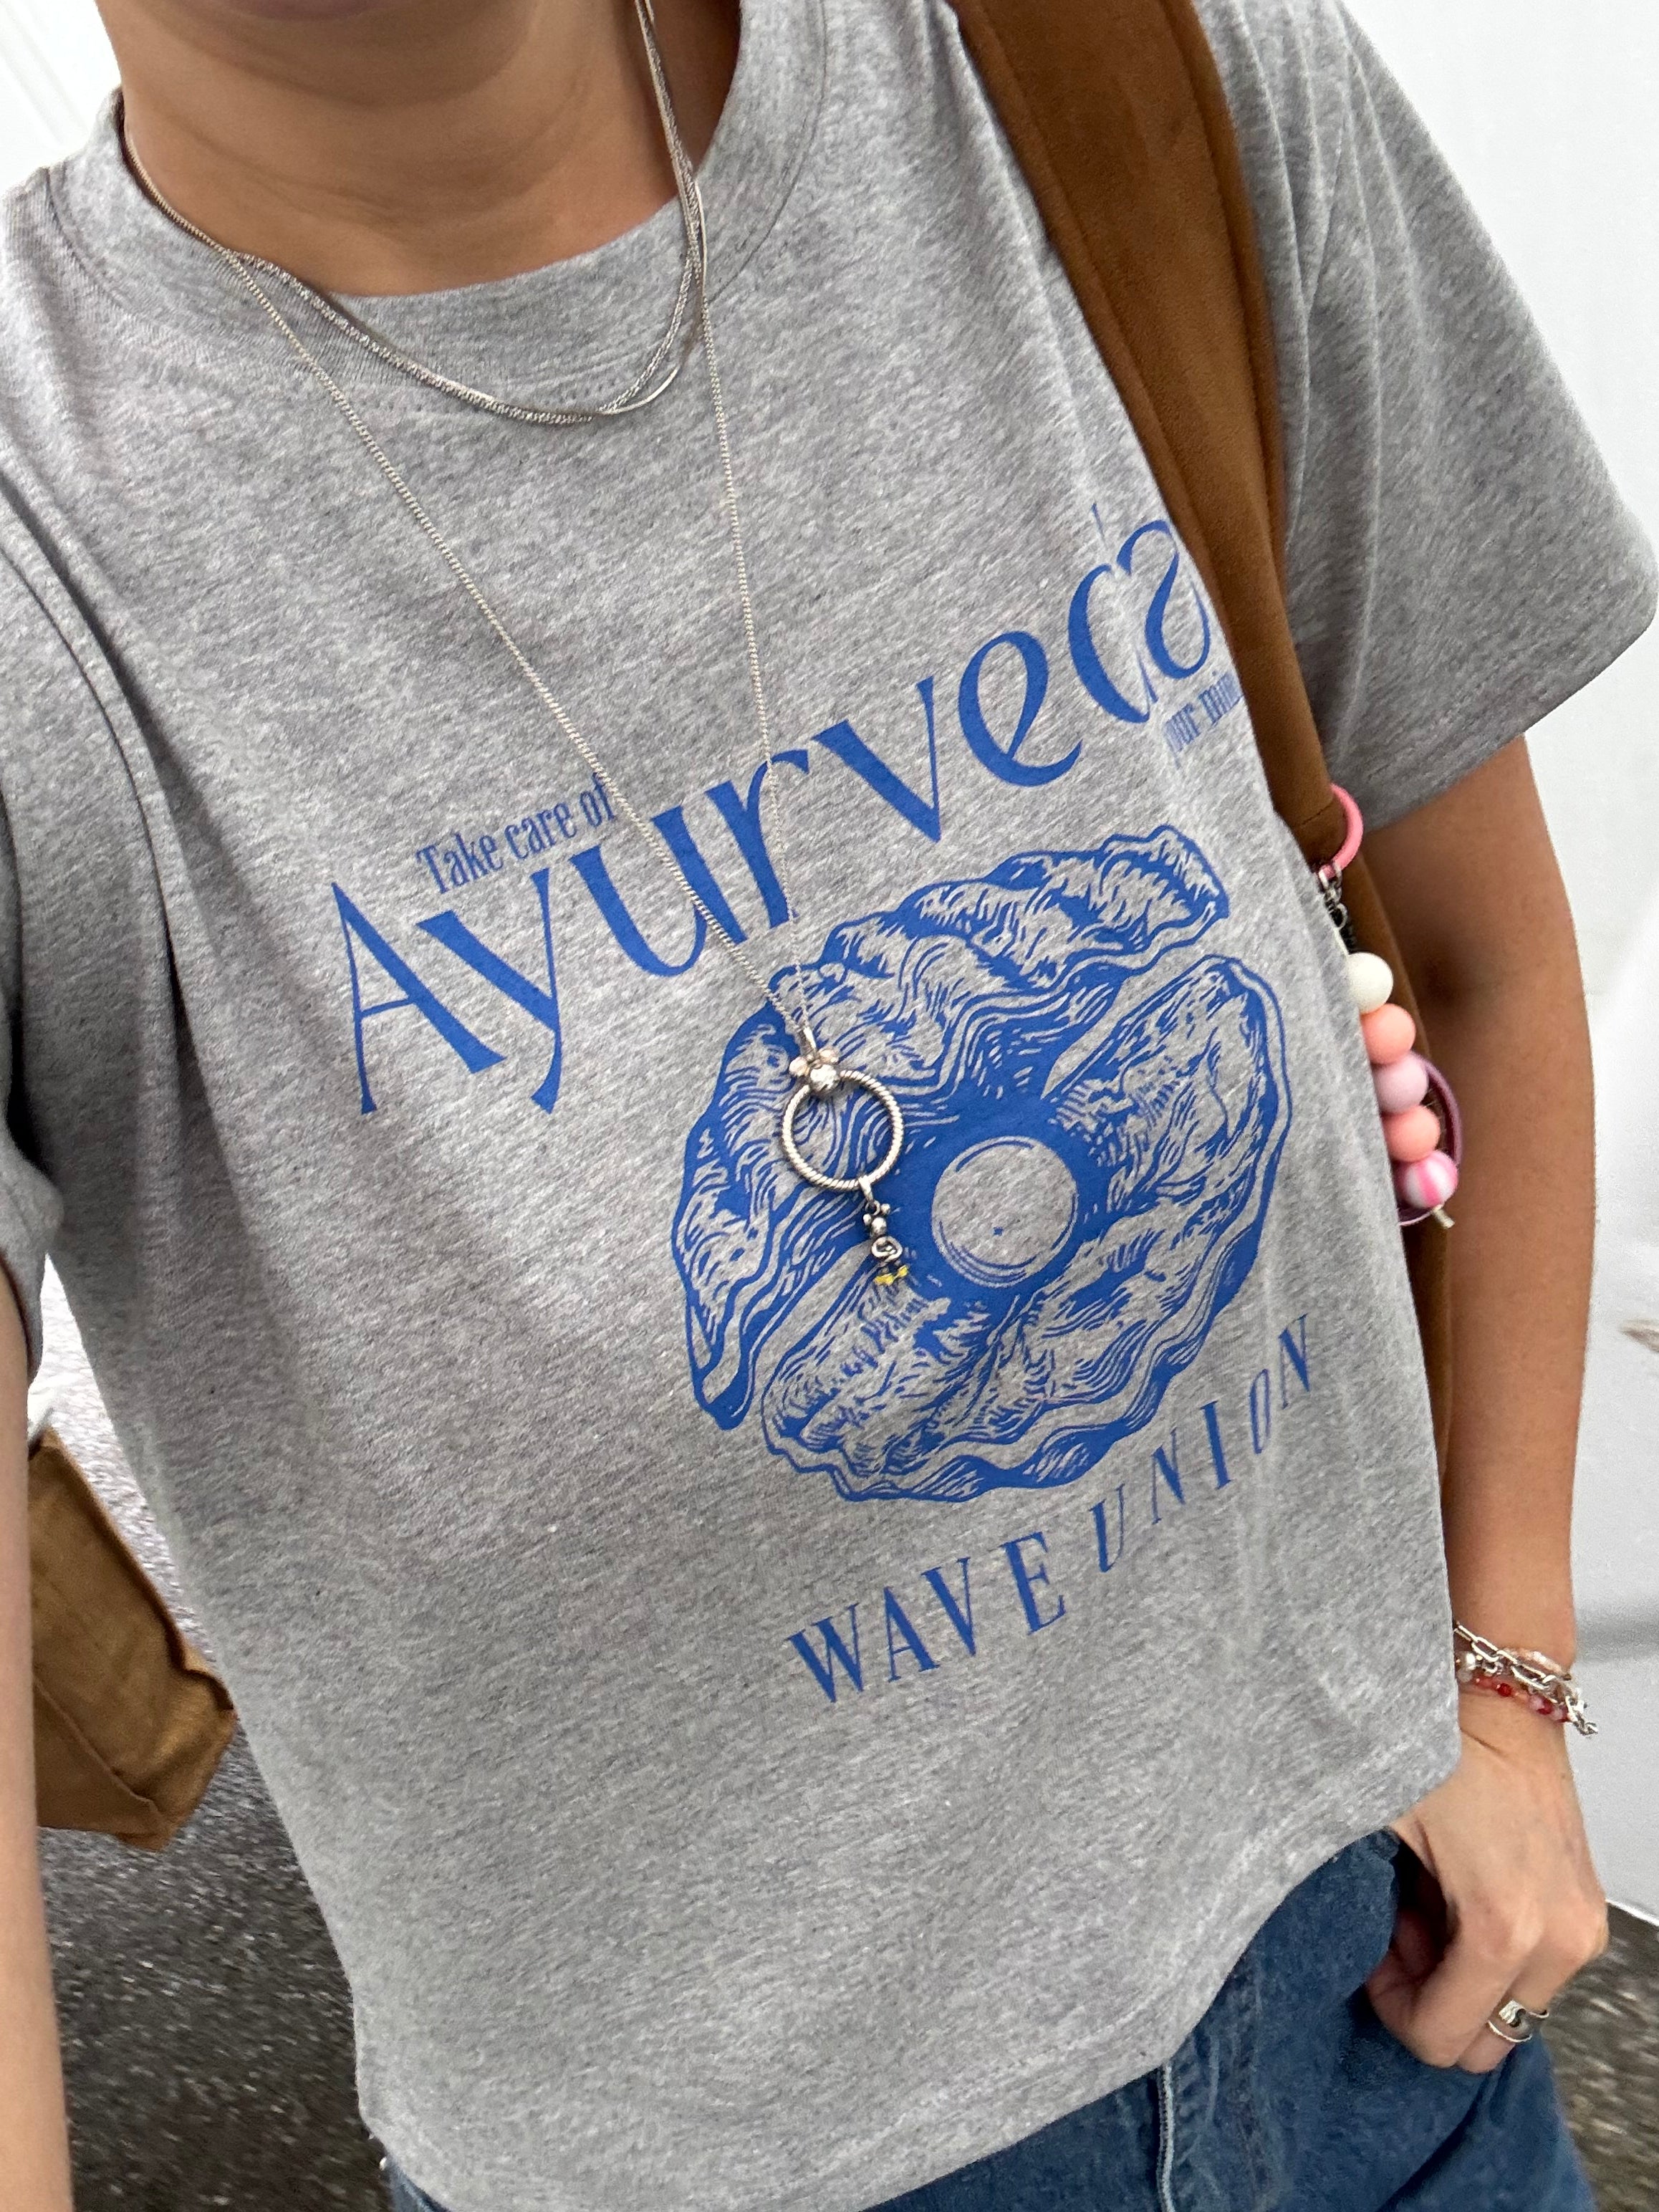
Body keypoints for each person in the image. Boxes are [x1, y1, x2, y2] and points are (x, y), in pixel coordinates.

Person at [0, 0, 1652, 2204]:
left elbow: (1483, 963)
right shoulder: (50, 537)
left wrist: (1503, 1676)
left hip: (1377, 2011)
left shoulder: (1126, 87)